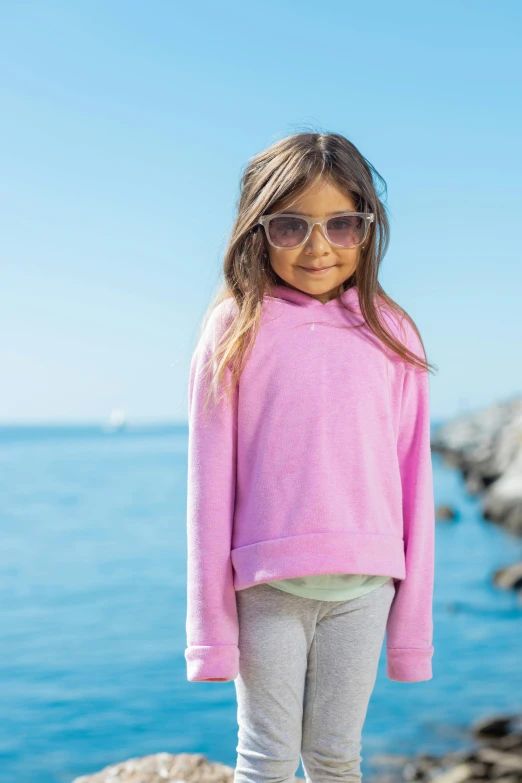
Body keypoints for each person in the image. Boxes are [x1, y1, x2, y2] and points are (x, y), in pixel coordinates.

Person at [184, 131, 437, 783]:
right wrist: (209, 633)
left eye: (341, 224)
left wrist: (411, 636)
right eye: (291, 225)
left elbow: (415, 484)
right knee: (264, 760)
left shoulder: (394, 333)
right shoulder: (235, 325)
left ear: (366, 227)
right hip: (267, 587)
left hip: (365, 588)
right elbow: (209, 488)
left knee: (334, 757)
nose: (318, 246)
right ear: (258, 230)